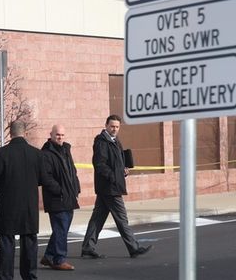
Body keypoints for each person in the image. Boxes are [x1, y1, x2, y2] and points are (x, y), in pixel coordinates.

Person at [0, 121, 56, 280]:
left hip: (8, 206)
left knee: (7, 244)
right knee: (29, 243)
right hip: (29, 206)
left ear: (10, 133)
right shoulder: (37, 154)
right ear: (25, 133)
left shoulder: (2, 154)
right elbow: (44, 180)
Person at [81, 115, 152, 259]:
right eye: (112, 126)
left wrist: (123, 170)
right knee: (122, 218)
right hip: (110, 187)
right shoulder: (102, 142)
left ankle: (88, 247)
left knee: (98, 218)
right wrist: (114, 177)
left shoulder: (115, 141)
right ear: (106, 125)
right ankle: (134, 248)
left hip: (110, 186)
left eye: (117, 127)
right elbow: (100, 164)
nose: (114, 129)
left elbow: (117, 163)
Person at [40, 124, 80, 271]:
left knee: (61, 229)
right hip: (56, 198)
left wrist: (76, 189)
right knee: (61, 228)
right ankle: (59, 259)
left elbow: (72, 171)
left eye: (62, 135)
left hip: (69, 196)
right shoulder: (45, 154)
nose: (60, 137)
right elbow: (46, 177)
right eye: (57, 135)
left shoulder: (66, 150)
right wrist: (60, 191)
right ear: (51, 134)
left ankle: (49, 256)